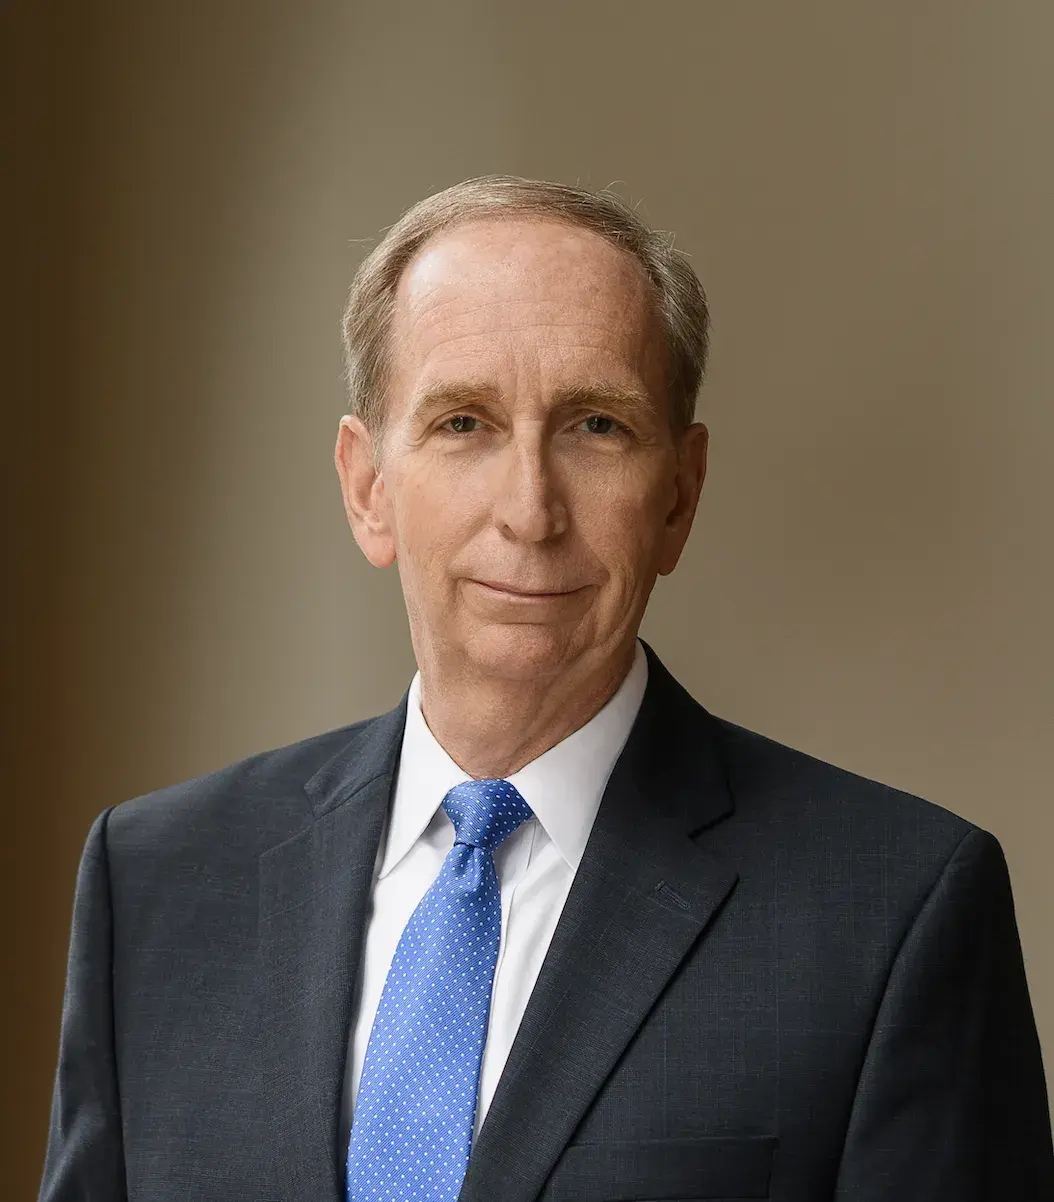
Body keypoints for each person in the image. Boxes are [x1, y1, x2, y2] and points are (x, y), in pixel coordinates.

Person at [40, 174, 1053, 1202]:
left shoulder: (895, 912)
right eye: (464, 422)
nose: (530, 509)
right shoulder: (159, 884)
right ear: (366, 486)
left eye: (596, 425)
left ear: (679, 495)